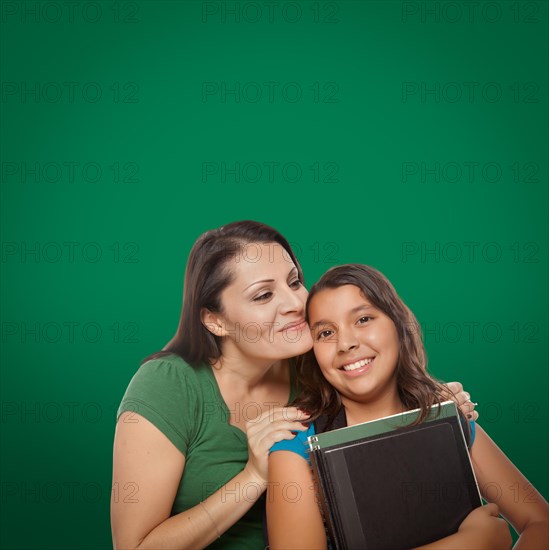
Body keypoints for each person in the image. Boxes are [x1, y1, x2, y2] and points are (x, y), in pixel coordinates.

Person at [111, 221, 478, 550]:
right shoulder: (169, 385)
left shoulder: (317, 364)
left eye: (294, 281)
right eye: (263, 295)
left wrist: (435, 407)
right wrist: (253, 476)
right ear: (214, 320)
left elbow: (386, 404)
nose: (295, 303)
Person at [267, 264, 549, 550]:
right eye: (326, 333)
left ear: (398, 326)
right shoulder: (295, 448)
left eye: (363, 319)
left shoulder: (448, 419)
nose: (347, 343)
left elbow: (541, 522)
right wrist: (472, 543)